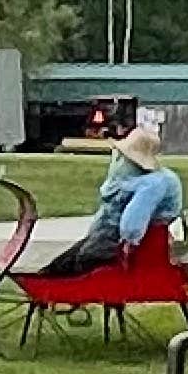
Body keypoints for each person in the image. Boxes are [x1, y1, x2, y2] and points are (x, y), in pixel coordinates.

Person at [34, 116, 179, 278]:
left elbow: (135, 216)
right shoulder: (137, 180)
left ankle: (54, 283)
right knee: (71, 256)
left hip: (115, 237)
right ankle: (47, 274)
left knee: (85, 258)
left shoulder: (151, 184)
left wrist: (129, 240)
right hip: (107, 231)